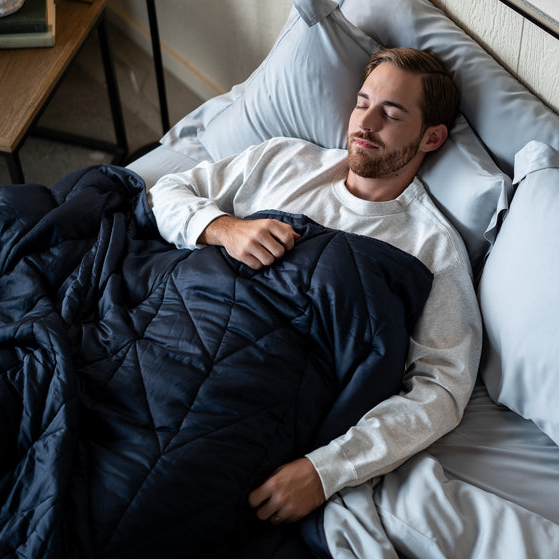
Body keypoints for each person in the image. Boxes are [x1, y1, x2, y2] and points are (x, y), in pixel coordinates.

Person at [149, 47, 482, 527]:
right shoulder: (285, 159)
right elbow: (168, 189)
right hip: (175, 324)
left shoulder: (431, 247)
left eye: (391, 114)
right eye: (362, 103)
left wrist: (325, 470)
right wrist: (222, 228)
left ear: (432, 137)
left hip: (250, 393)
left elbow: (443, 390)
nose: (365, 124)